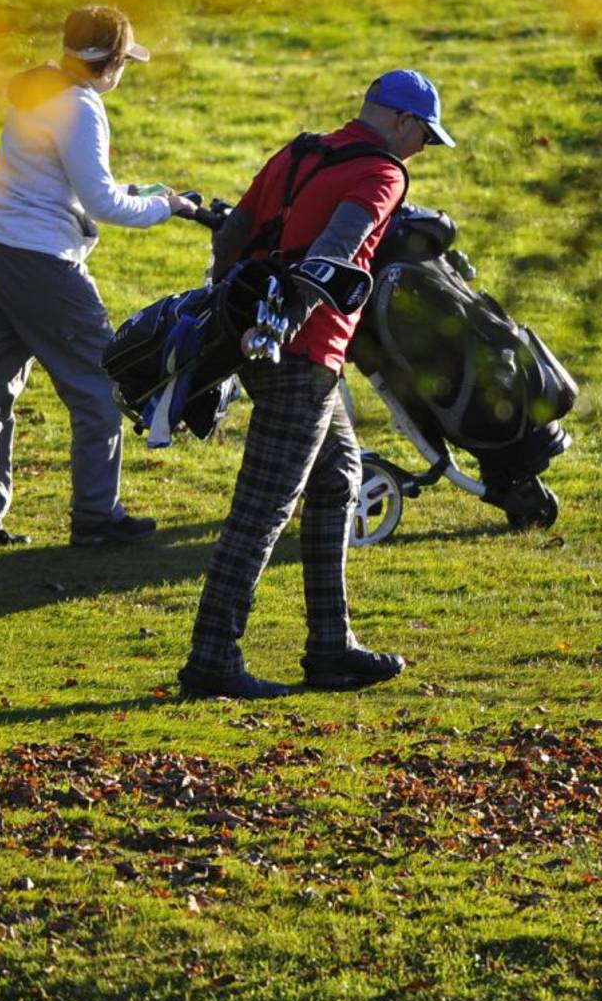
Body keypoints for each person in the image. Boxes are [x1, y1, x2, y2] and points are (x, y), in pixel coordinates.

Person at [178, 69, 456, 699]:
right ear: (404, 122)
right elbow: (335, 251)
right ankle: (212, 659)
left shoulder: (299, 151)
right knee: (263, 510)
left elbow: (233, 236)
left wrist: (237, 310)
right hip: (299, 351)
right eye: (425, 138)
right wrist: (287, 320)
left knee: (339, 480)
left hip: (264, 341)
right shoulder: (383, 172)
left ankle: (331, 647)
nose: (422, 151)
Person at [0, 5, 195, 549]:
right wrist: (166, 209)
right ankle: (96, 518)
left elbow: (72, 182)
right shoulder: (81, 107)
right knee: (100, 389)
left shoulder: (39, 90)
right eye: (124, 61)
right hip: (42, 265)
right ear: (108, 64)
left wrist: (147, 193)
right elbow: (102, 202)